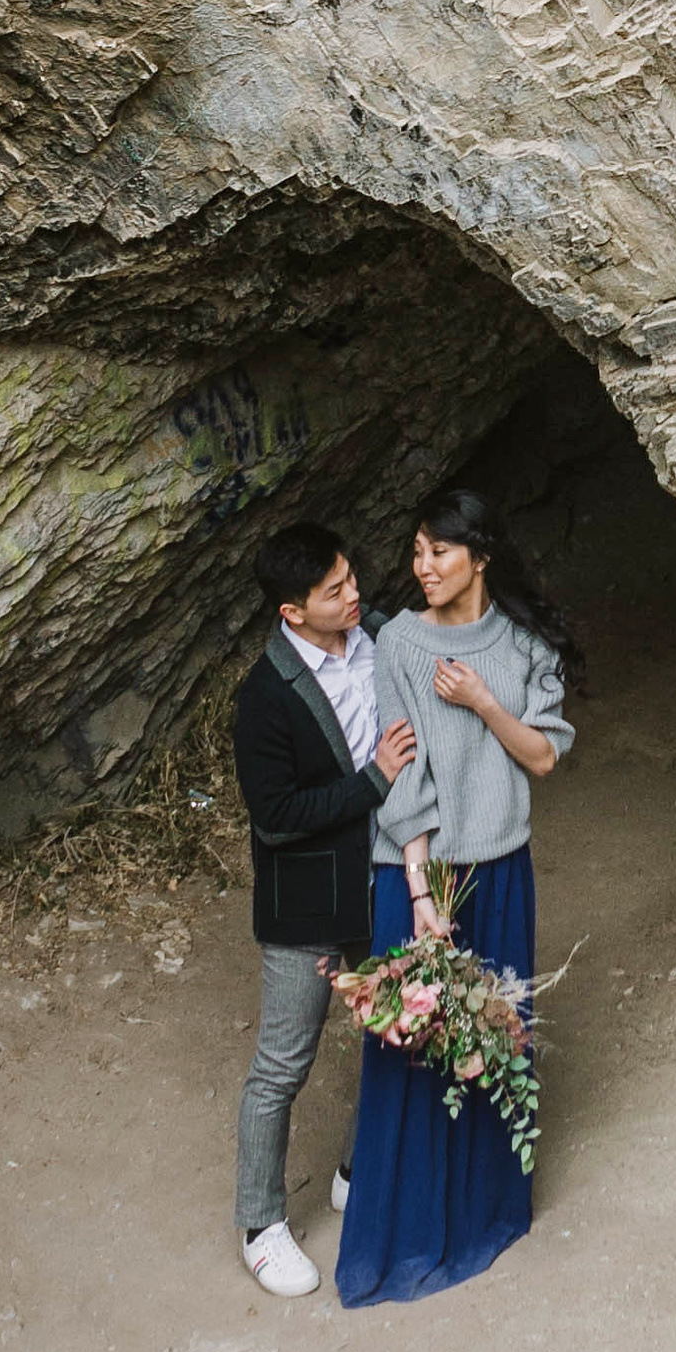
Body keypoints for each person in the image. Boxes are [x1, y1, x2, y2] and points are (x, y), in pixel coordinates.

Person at [335, 489, 577, 1308]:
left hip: (501, 865)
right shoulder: (397, 641)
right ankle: (401, 1237)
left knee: (494, 1041)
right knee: (411, 1049)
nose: (423, 566)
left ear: (479, 555)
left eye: (438, 551)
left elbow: (542, 756)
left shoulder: (521, 646)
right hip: (420, 871)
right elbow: (398, 767)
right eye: (415, 551)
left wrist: (481, 702)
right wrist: (420, 887)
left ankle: (484, 1212)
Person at [229, 524, 419, 1299]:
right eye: (334, 590)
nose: (355, 595)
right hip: (308, 898)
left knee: (394, 1026)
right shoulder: (264, 698)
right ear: (291, 611)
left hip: (382, 875)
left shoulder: (374, 636)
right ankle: (260, 1224)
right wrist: (374, 780)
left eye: (352, 577)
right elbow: (275, 815)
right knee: (283, 1061)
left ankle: (354, 1170)